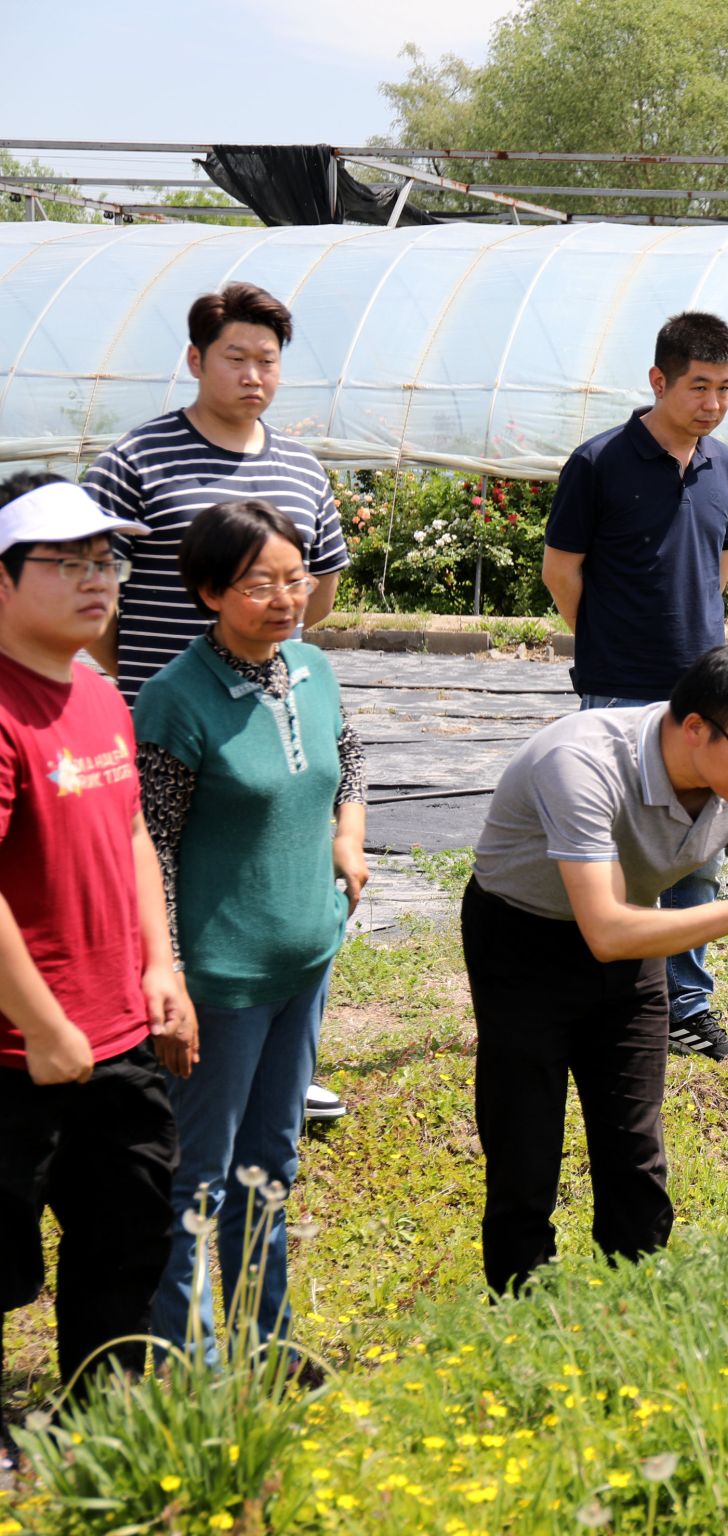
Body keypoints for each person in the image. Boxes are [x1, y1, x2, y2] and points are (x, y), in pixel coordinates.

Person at [463, 645, 728, 1295]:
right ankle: (521, 1310)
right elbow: (607, 930)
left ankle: (636, 1301)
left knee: (634, 1145)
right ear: (696, 726)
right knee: (524, 1138)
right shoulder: (583, 760)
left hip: (636, 939)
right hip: (521, 938)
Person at [83, 281, 352, 1129]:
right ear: (196, 359)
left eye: (267, 361)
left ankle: (279, 1057)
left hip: (265, 717)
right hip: (167, 719)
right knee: (160, 878)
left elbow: (325, 586)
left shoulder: (301, 468)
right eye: (235, 357)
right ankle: (160, 1041)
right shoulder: (136, 461)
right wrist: (141, 684)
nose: (253, 376)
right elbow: (94, 593)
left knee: (271, 884)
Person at [134, 500, 367, 1366]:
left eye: (296, 576)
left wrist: (349, 833)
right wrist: (172, 977)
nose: (286, 598)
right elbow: (148, 846)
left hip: (306, 957)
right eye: (259, 582)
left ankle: (264, 1341)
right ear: (207, 592)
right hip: (219, 980)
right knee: (199, 1173)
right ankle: (181, 1355)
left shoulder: (310, 668)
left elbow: (350, 756)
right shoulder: (174, 700)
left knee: (272, 1158)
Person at [0, 474, 193, 1427]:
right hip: (13, 1054)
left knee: (126, 1240)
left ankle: (105, 1427)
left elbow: (131, 838)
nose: (96, 579)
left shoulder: (100, 694)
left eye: (105, 559)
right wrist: (41, 1025)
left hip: (116, 1035)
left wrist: (162, 967)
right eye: (65, 562)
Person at [542, 311, 728, 1065]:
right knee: (619, 850)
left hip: (702, 694)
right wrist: (607, 640)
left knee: (696, 849)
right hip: (618, 691)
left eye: (726, 389)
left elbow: (719, 568)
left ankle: (685, 1004)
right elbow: (561, 570)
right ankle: (614, 998)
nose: (713, 404)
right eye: (700, 387)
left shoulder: (722, 465)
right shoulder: (599, 463)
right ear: (659, 380)